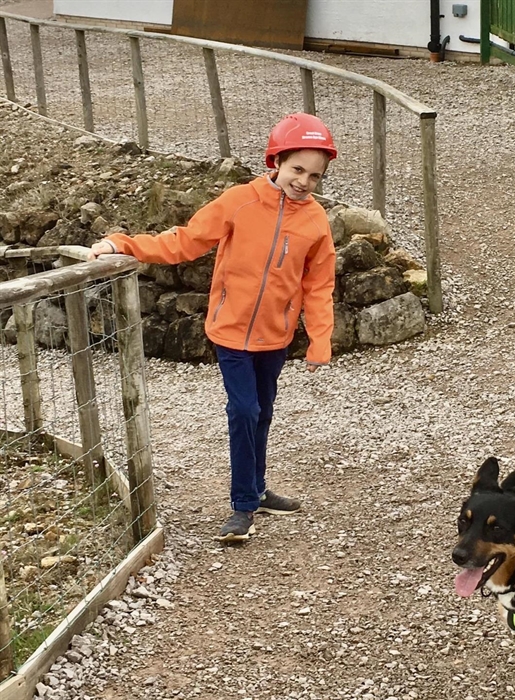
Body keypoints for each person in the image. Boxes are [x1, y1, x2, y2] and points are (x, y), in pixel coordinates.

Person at [88, 113, 338, 543]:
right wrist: (122, 243)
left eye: (315, 176)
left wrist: (319, 340)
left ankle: (258, 490)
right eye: (297, 169)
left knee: (261, 414)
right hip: (231, 333)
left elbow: (318, 285)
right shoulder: (238, 200)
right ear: (276, 160)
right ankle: (243, 506)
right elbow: (184, 240)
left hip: (275, 337)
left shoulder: (316, 222)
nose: (304, 181)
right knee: (243, 410)